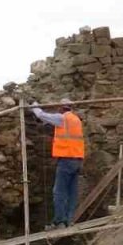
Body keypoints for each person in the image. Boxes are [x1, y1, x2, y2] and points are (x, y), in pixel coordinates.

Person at [31, 98, 86, 230]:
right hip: (77, 159)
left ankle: (59, 221)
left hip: (66, 159)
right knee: (71, 192)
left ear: (61, 108)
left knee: (59, 192)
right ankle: (69, 220)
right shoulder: (76, 120)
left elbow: (41, 115)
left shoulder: (62, 119)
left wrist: (34, 105)